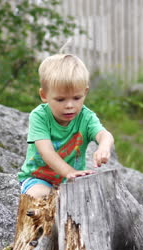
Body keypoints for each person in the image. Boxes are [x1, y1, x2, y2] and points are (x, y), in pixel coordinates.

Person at [17, 53, 114, 198]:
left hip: (70, 182)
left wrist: (103, 147)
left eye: (76, 98)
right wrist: (69, 171)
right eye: (60, 99)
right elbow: (46, 152)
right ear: (44, 95)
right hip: (38, 179)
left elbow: (104, 134)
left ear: (85, 92)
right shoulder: (40, 117)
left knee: (97, 198)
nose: (69, 105)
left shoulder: (86, 117)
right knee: (40, 194)